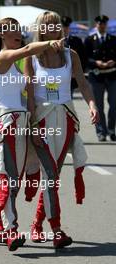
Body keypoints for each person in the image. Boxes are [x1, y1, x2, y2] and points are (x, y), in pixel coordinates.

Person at [0, 17, 63, 251]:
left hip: (23, 122)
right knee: (8, 178)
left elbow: (27, 90)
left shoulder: (19, 60)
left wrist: (33, 121)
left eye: (19, 30)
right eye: (12, 30)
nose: (18, 33)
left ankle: (1, 227)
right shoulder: (3, 57)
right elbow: (29, 48)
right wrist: (51, 43)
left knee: (15, 179)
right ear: (2, 35)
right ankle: (10, 231)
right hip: (7, 123)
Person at [24, 11, 99, 249]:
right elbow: (28, 92)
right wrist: (32, 123)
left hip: (65, 119)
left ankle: (37, 225)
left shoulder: (71, 54)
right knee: (49, 175)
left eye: (55, 24)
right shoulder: (31, 54)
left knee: (52, 176)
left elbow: (83, 83)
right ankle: (55, 229)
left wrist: (92, 104)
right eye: (46, 25)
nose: (52, 28)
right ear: (40, 29)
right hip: (41, 120)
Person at [85, 15, 116, 142]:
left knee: (114, 105)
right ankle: (101, 132)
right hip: (96, 76)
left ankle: (111, 130)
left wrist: (113, 61)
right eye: (99, 23)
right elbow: (85, 58)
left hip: (112, 75)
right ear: (96, 25)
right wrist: (97, 63)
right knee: (98, 106)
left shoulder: (113, 39)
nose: (102, 25)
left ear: (106, 25)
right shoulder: (89, 40)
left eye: (104, 23)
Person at [61, 16, 86, 96]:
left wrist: (78, 72)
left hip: (72, 76)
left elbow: (83, 58)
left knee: (68, 99)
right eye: (63, 26)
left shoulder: (76, 41)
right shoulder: (53, 41)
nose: (64, 29)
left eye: (66, 26)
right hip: (57, 76)